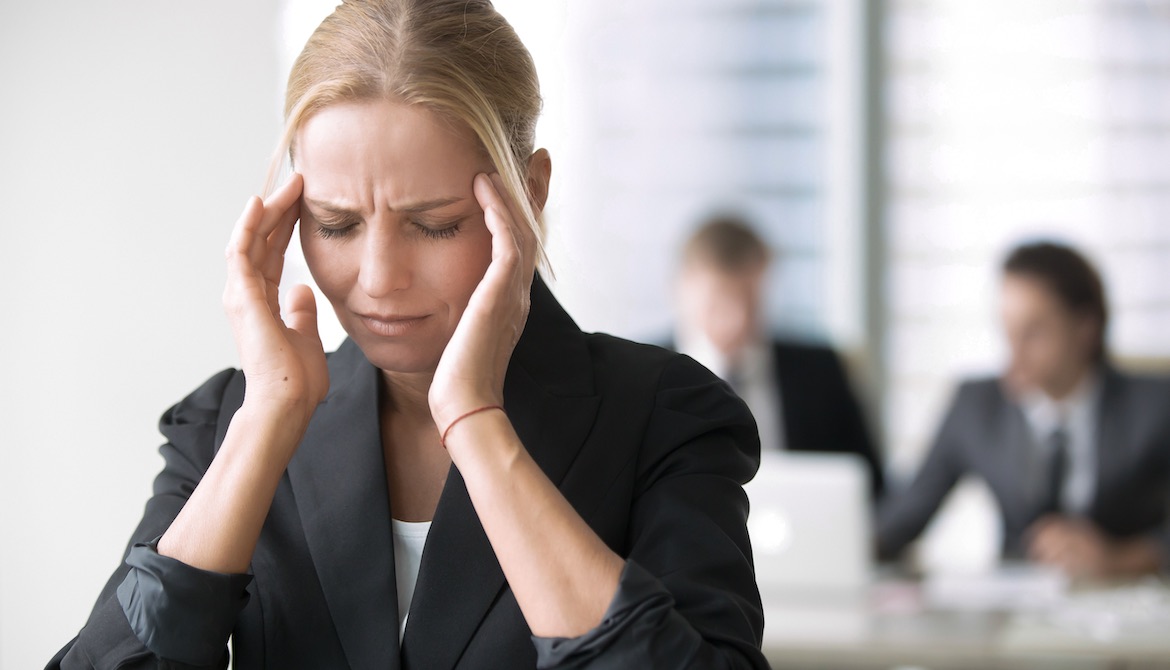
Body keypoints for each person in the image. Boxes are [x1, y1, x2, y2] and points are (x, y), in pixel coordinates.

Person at [46, 2, 770, 668]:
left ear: (531, 195)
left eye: (433, 224)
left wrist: (477, 425)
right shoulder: (226, 427)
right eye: (336, 224)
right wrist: (266, 419)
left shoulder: (665, 418)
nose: (379, 277)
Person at [877, 241, 1170, 577]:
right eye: (1008, 332)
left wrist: (1122, 558)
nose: (1013, 356)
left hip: (1126, 607)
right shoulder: (976, 407)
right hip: (1015, 608)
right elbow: (902, 519)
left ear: (1085, 328)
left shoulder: (1155, 406)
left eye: (1034, 333)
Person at [671, 214, 884, 497]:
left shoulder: (821, 371)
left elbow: (872, 488)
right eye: (718, 302)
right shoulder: (641, 373)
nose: (737, 319)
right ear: (681, 290)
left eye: (751, 301)